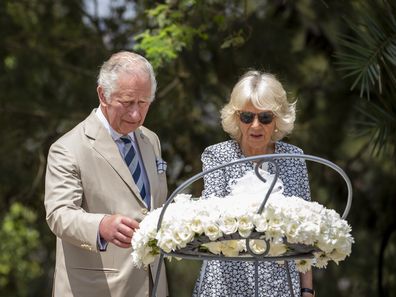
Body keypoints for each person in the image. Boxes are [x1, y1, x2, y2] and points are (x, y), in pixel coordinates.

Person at [44, 51, 168, 297]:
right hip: (96, 289)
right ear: (103, 94)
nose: (135, 114)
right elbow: (58, 214)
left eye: (143, 103)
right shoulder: (67, 148)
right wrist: (100, 225)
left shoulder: (150, 140)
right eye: (127, 102)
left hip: (153, 286)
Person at [193, 70, 315, 297]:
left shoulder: (294, 158)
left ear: (278, 118)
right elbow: (209, 222)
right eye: (247, 117)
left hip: (280, 285)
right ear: (236, 118)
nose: (256, 125)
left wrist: (307, 290)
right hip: (225, 285)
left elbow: (305, 233)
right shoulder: (217, 156)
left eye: (265, 117)